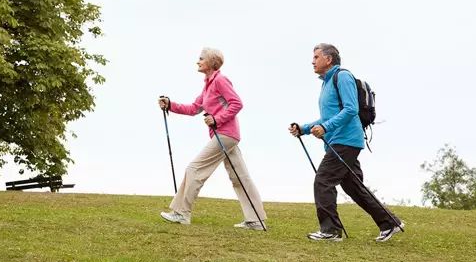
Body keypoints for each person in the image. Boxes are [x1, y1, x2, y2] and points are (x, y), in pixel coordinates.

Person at [289, 43, 404, 242]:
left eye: (316, 57)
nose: (312, 61)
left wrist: (325, 128)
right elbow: (329, 116)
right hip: (339, 140)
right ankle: (389, 223)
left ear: (329, 59)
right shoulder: (326, 82)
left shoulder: (342, 77)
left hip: (346, 140)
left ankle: (331, 231)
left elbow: (350, 109)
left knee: (323, 180)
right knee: (354, 187)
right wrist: (304, 128)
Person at [158, 47, 267, 230]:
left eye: (201, 58)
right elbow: (194, 108)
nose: (198, 61)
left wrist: (217, 119)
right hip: (227, 135)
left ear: (211, 62)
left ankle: (182, 213)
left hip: (225, 134)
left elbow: (237, 103)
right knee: (240, 177)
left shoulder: (220, 81)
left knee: (194, 169)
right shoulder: (208, 84)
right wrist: (171, 105)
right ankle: (256, 220)